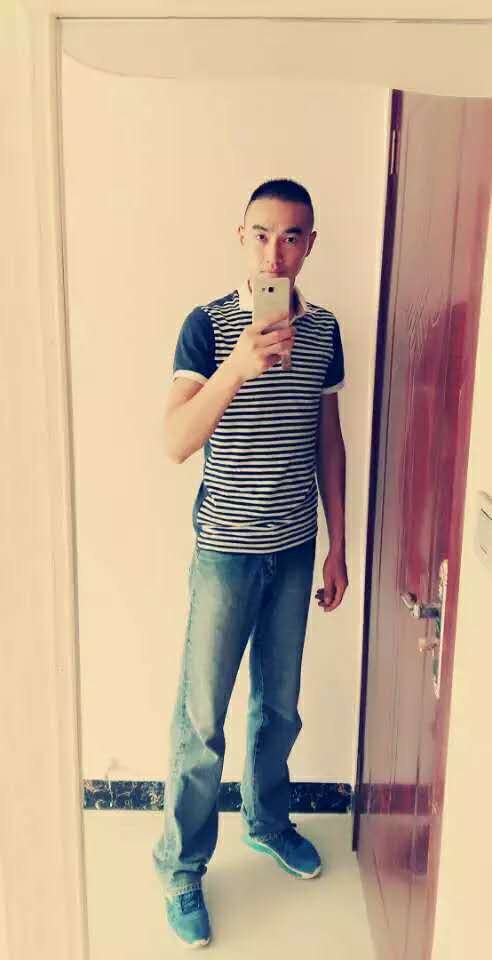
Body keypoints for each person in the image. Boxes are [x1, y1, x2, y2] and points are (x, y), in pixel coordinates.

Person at [152, 178, 349, 948]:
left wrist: (339, 543)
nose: (276, 252)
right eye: (262, 234)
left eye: (292, 236)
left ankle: (267, 821)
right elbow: (175, 441)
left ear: (309, 245)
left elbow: (328, 438)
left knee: (280, 708)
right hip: (226, 552)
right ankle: (180, 864)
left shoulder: (324, 331)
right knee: (201, 722)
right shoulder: (208, 325)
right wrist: (237, 365)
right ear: (242, 237)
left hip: (295, 548)